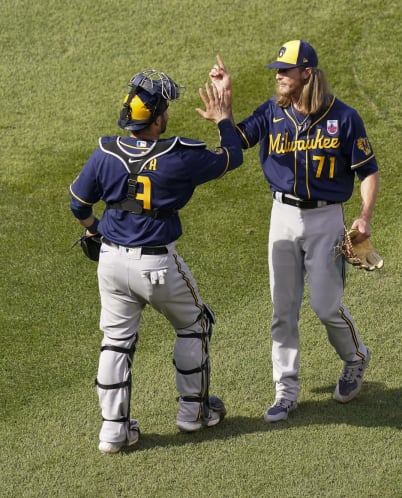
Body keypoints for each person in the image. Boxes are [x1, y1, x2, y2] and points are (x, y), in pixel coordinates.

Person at [69, 69, 242, 453]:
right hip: (158, 266)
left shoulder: (105, 152)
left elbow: (78, 205)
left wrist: (95, 229)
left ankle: (114, 431)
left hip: (111, 262)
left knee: (115, 341)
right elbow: (232, 157)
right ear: (158, 117)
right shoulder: (179, 156)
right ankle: (192, 412)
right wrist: (223, 118)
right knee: (194, 323)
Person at [208, 40, 379, 422]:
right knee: (282, 310)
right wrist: (225, 110)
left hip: (326, 220)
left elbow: (368, 170)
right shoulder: (271, 113)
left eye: (285, 70)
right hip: (282, 217)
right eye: (277, 71)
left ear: (307, 73)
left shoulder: (344, 118)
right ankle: (285, 390)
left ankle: (355, 357)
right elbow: (236, 146)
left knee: (325, 305)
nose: (279, 76)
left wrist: (364, 215)